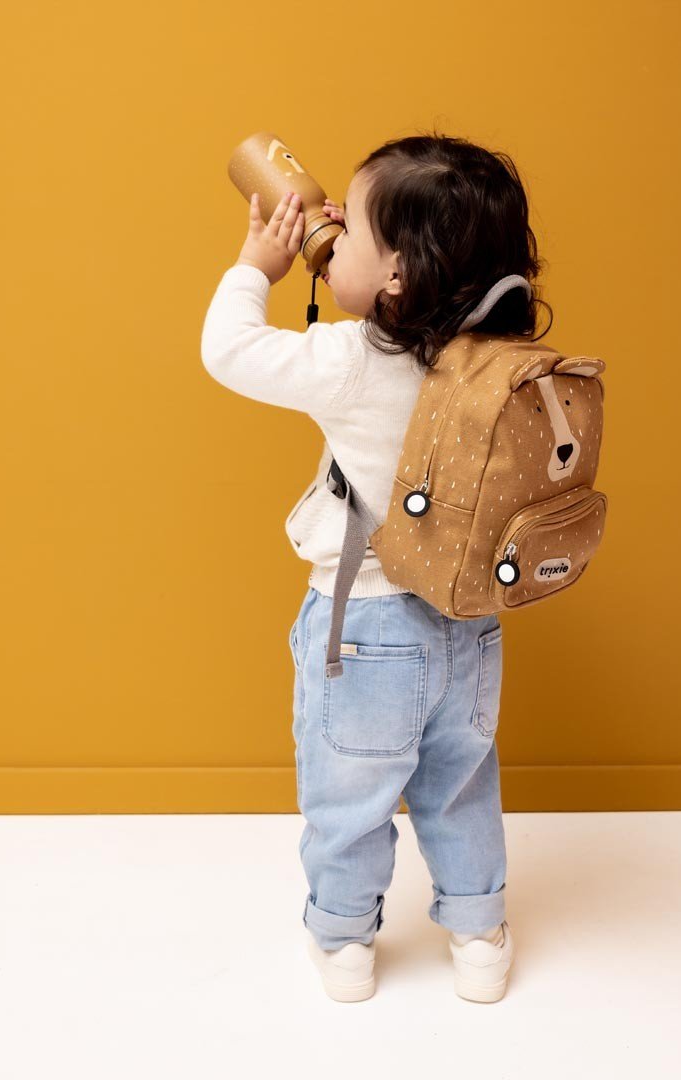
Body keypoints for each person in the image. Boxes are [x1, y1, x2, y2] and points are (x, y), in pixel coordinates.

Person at [200, 130, 553, 1003]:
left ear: (394, 277)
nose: (324, 225)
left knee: (348, 796)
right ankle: (479, 935)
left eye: (346, 226)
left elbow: (227, 350)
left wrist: (259, 263)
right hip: (469, 627)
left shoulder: (351, 361)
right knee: (460, 788)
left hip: (366, 629)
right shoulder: (498, 367)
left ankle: (346, 943)